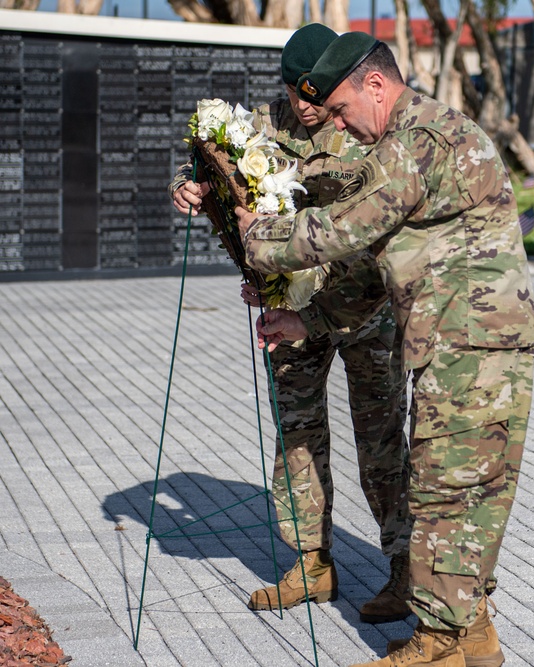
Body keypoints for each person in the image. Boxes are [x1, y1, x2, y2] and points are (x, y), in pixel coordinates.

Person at [236, 32, 534, 667]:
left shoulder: (419, 140)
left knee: (444, 494)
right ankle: (472, 637)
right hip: (462, 345)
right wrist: (310, 319)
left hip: (470, 347)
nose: (341, 125)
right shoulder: (415, 138)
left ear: (376, 85)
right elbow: (376, 268)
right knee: (458, 489)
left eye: (343, 111)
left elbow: (348, 226)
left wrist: (258, 238)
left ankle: (437, 645)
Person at [169, 24, 413, 625]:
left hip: (364, 305)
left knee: (379, 437)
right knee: (296, 431)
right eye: (295, 93)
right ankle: (311, 563)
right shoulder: (266, 124)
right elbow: (210, 158)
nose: (306, 108)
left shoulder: (362, 125)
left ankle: (407, 568)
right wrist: (190, 185)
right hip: (287, 301)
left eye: (315, 95)